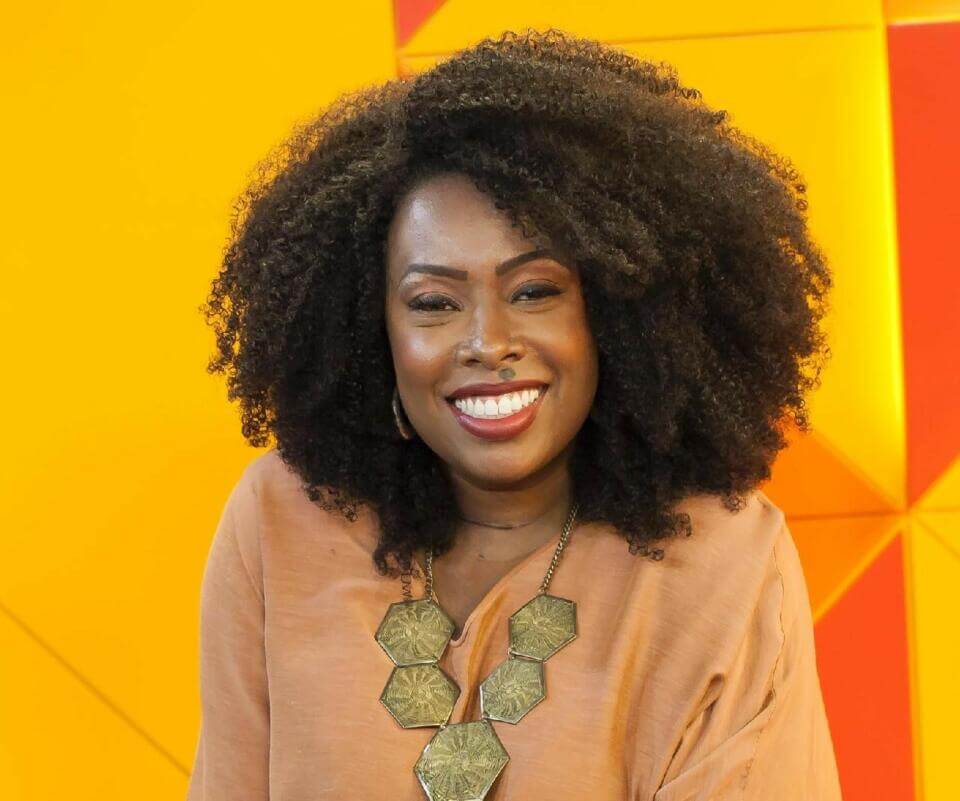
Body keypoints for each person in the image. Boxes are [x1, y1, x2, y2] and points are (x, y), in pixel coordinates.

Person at [186, 28, 842, 801]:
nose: (487, 341)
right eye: (434, 302)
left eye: (534, 291)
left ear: (615, 312)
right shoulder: (277, 525)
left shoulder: (721, 566)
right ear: (370, 331)